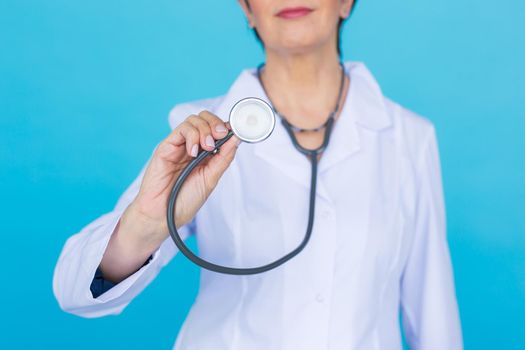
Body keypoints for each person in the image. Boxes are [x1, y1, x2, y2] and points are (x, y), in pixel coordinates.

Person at [53, 0, 463, 349]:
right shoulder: (198, 132)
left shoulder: (410, 137)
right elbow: (76, 293)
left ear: (347, 1)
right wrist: (147, 222)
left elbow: (434, 313)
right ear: (247, 8)